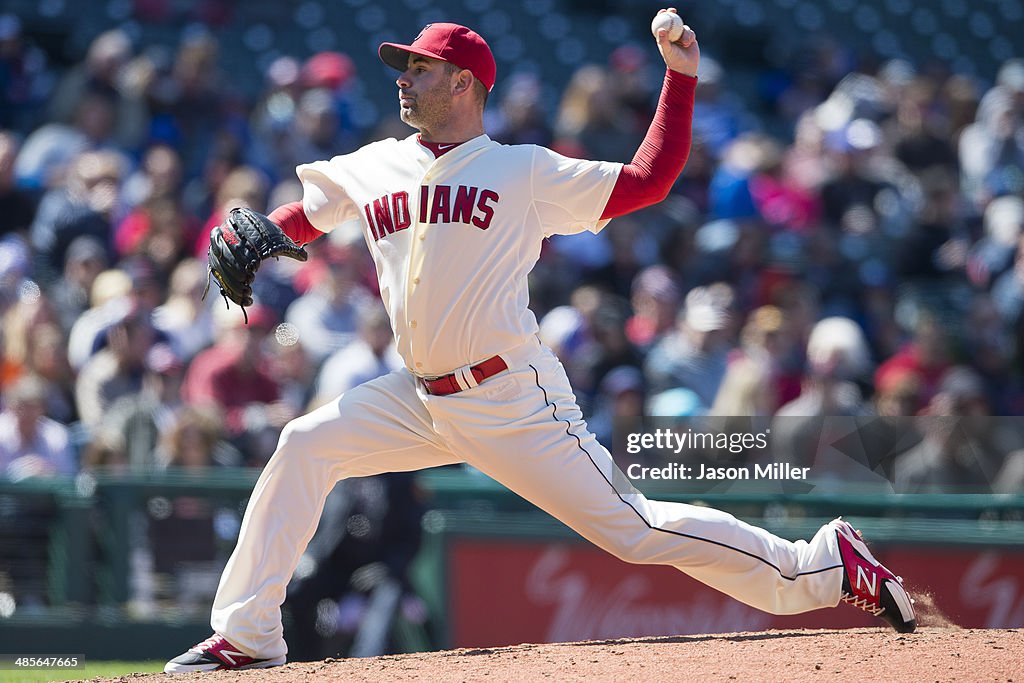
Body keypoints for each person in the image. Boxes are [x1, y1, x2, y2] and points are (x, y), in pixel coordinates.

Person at [165, 11, 917, 673]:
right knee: (304, 443)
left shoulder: (521, 169)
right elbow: (302, 216)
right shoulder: (374, 163)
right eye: (405, 68)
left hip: (509, 394)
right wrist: (265, 235)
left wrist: (679, 78)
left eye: (419, 69)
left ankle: (821, 563)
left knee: (634, 529)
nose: (403, 80)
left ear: (464, 83)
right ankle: (249, 634)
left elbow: (648, 181)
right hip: (419, 395)